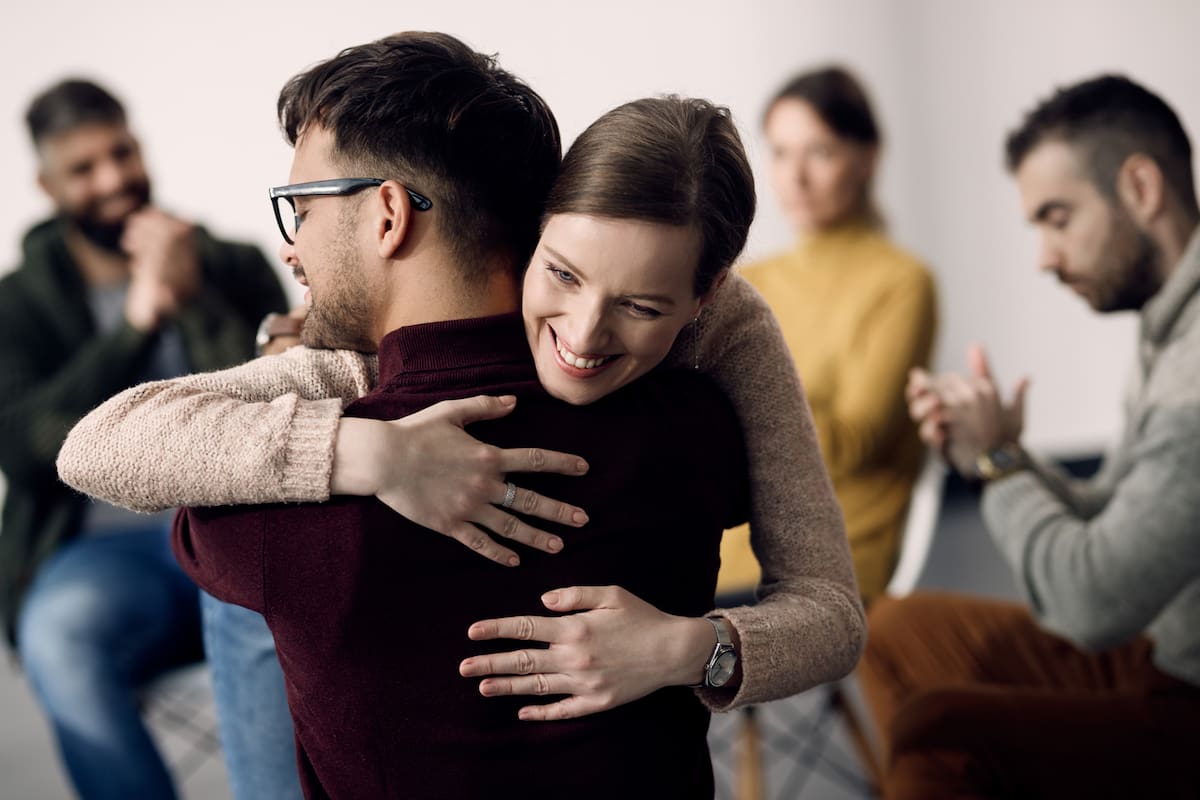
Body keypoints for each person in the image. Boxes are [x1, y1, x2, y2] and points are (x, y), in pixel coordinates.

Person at [58, 33, 865, 797]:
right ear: (538, 236)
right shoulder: (700, 425)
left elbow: (830, 609)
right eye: (562, 274)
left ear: (387, 214)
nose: (584, 333)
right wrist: (366, 451)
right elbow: (100, 445)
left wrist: (691, 649)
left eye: (299, 208)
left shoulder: (723, 331)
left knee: (238, 584)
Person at [860, 75, 1200, 798]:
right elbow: (1111, 511)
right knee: (894, 629)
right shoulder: (1171, 328)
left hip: (1185, 697)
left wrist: (995, 460)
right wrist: (1002, 455)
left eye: (1057, 217)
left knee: (937, 730)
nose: (1044, 256)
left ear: (1140, 188)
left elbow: (1092, 603)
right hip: (1162, 648)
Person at [0, 79, 288, 799]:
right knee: (57, 637)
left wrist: (190, 297)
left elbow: (280, 405)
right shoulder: (14, 305)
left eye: (122, 153)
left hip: (231, 527)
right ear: (46, 184)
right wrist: (136, 323)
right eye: (84, 168)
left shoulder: (232, 265)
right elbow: (30, 452)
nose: (114, 179)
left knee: (284, 598)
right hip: (103, 557)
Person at [720, 66, 937, 605]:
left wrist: (734, 391)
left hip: (828, 554)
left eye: (819, 152)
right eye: (780, 152)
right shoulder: (750, 280)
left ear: (866, 159)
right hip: (721, 551)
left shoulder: (900, 282)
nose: (796, 177)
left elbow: (851, 443)